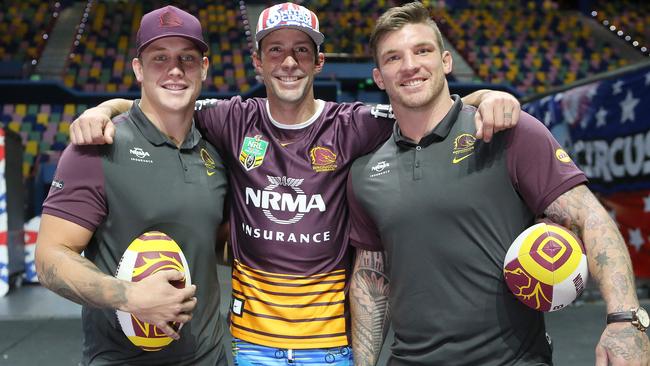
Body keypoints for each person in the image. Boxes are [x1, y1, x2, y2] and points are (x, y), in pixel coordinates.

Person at [68, 3, 522, 364]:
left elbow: (427, 105)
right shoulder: (230, 118)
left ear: (319, 61)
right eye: (275, 50)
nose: (289, 62)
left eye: (301, 50)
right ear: (258, 62)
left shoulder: (355, 124)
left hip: (332, 348)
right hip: (250, 348)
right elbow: (159, 99)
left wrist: (486, 96)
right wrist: (103, 110)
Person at [347, 2, 650, 365]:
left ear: (446, 61)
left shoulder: (508, 132)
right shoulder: (365, 171)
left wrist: (625, 321)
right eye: (393, 58)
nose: (410, 65)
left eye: (422, 50)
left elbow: (591, 218)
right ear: (379, 77)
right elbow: (370, 279)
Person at [35, 6, 229, 365]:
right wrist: (128, 296)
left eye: (187, 57)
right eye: (159, 58)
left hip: (210, 357)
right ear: (138, 69)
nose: (174, 70)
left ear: (204, 67)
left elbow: (215, 243)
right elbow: (50, 257)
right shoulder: (98, 147)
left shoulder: (216, 148)